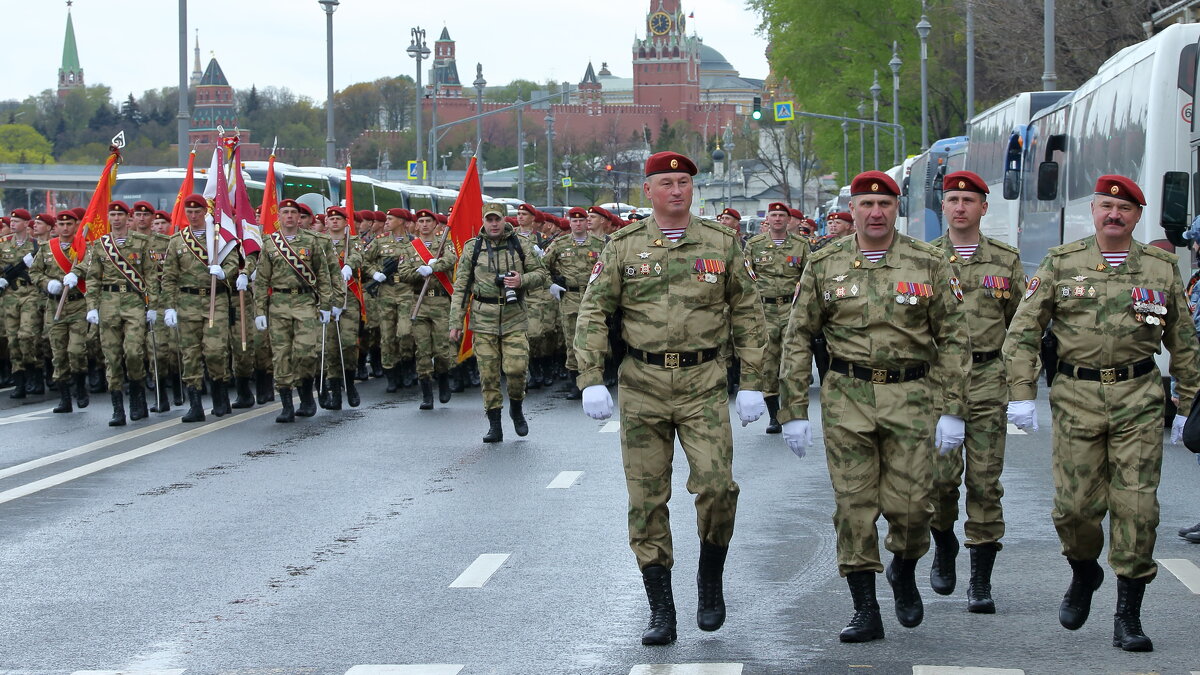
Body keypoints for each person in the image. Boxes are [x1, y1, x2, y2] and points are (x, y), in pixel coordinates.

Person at [573, 151, 768, 645]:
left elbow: (749, 314)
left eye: (683, 182)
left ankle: (709, 576)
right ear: (649, 191)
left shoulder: (722, 244)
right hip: (643, 384)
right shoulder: (622, 247)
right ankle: (661, 606)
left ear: (692, 190)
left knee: (718, 487)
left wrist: (752, 384)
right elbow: (594, 312)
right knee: (646, 500)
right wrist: (591, 376)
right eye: (666, 183)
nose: (676, 190)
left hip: (704, 381)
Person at [1002, 174, 1200, 652]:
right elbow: (1024, 331)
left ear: (1136, 216)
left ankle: (1128, 615)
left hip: (1139, 396)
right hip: (1076, 398)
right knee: (1075, 510)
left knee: (1138, 509)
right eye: (1106, 208)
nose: (1115, 215)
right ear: (1093, 212)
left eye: (1125, 209)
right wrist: (1023, 394)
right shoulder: (1061, 263)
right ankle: (1084, 570)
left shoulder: (1160, 267)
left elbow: (1184, 342)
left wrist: (1187, 406)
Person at [777, 170, 969, 643]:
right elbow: (798, 336)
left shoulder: (928, 263)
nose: (875, 213)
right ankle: (865, 606)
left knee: (911, 509)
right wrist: (794, 410)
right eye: (866, 205)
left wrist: (952, 408)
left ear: (896, 209)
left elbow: (955, 338)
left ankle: (904, 568)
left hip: (912, 396)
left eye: (884, 205)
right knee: (854, 508)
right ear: (854, 209)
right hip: (848, 397)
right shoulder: (824, 264)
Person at [926, 171, 1025, 612]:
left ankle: (980, 580)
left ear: (984, 207)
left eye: (969, 199)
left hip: (988, 379)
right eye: (953, 199)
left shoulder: (1006, 260)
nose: (960, 206)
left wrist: (1022, 385)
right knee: (941, 480)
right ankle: (944, 542)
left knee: (985, 483)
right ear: (942, 208)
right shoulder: (924, 259)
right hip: (938, 384)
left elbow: (1022, 324)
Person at [449, 203, 548, 442]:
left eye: (497, 219)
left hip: (514, 316)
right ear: (483, 221)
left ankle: (516, 407)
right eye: (489, 219)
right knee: (489, 374)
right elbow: (461, 287)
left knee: (516, 370)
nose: (493, 224)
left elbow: (542, 275)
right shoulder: (473, 248)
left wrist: (521, 280)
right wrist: (456, 322)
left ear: (505, 220)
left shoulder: (520, 245)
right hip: (483, 319)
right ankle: (495, 424)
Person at [161, 194, 240, 422]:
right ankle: (195, 404)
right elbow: (169, 277)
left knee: (215, 351)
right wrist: (170, 307)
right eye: (190, 212)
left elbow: (234, 260)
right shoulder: (177, 241)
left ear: (206, 212)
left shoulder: (218, 237)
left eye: (198, 212)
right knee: (190, 354)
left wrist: (225, 272)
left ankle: (220, 395)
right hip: (187, 303)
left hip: (216, 300)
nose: (193, 216)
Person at [254, 199, 333, 422]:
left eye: (293, 212)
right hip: (278, 302)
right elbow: (261, 280)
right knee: (281, 355)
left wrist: (326, 305)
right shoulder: (270, 243)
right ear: (278, 216)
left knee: (306, 352)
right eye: (285, 212)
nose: (289, 216)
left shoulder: (311, 241)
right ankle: (287, 405)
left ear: (299, 217)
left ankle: (307, 395)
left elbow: (323, 275)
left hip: (305, 302)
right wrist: (259, 310)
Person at [81, 201, 159, 425]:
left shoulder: (142, 243)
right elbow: (93, 279)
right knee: (112, 357)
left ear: (128, 217)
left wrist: (152, 306)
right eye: (112, 214)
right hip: (108, 303)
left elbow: (151, 277)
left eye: (120, 214)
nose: (116, 218)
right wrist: (92, 307)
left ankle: (137, 397)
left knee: (134, 352)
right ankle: (117, 408)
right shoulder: (100, 245)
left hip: (133, 302)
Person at [744, 201, 809, 433]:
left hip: (792, 309)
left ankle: (791, 412)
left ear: (789, 219)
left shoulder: (801, 246)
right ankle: (774, 416)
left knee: (792, 362)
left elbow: (808, 279)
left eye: (782, 215)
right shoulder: (754, 245)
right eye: (774, 215)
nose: (778, 219)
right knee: (769, 363)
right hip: (765, 311)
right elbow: (747, 279)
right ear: (767, 219)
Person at [543, 206, 606, 400]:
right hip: (569, 298)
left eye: (581, 220)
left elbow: (609, 268)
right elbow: (541, 267)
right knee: (572, 342)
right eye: (574, 220)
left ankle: (594, 380)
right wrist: (551, 285)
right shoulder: (559, 244)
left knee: (592, 341)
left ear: (587, 222)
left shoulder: (599, 244)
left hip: (592, 298)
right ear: (569, 222)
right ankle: (575, 383)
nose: (578, 224)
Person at [30, 211, 90, 412]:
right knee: (58, 353)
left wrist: (77, 273)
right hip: (55, 305)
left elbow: (90, 265)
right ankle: (65, 398)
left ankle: (80, 386)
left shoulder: (82, 247)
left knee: (76, 350)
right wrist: (48, 284)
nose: (65, 228)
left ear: (75, 225)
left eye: (69, 224)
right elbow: (35, 272)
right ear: (56, 226)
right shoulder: (47, 248)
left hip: (77, 304)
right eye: (61, 224)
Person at [399, 208, 459, 409]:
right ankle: (426, 393)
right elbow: (404, 273)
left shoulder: (445, 244)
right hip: (419, 303)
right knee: (422, 350)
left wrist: (436, 265)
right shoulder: (410, 248)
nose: (424, 224)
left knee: (443, 349)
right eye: (421, 221)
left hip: (441, 303)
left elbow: (452, 259)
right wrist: (420, 272)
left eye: (428, 221)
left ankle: (443, 380)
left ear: (435, 225)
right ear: (417, 225)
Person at [0, 209, 45, 398]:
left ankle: (35, 370)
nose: (12, 224)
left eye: (17, 221)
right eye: (12, 221)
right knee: (13, 340)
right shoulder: (3, 246)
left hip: (30, 294)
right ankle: (19, 380)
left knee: (26, 335)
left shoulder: (37, 246)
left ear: (27, 224)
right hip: (10, 295)